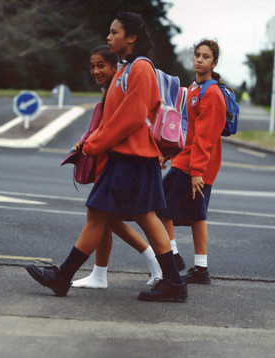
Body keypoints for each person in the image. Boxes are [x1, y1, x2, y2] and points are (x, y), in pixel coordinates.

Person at [25, 11, 187, 302]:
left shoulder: (140, 69)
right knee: (137, 217)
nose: (108, 37)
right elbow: (110, 116)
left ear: (131, 37)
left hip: (131, 158)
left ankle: (63, 277)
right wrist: (91, 140)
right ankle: (174, 283)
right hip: (128, 158)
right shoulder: (124, 70)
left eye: (114, 32)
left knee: (106, 214)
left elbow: (130, 118)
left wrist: (95, 144)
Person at [70, 45, 162, 288]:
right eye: (92, 66)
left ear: (115, 67)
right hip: (108, 160)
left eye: (101, 65)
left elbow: (119, 125)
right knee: (104, 218)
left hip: (118, 161)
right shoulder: (111, 89)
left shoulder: (122, 84)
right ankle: (99, 275)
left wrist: (92, 144)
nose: (96, 70)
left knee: (111, 216)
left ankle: (158, 264)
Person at [158, 39, 226, 285]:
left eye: (206, 57)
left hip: (196, 165)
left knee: (160, 205)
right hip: (188, 160)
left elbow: (206, 137)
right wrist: (168, 153)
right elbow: (188, 131)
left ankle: (173, 256)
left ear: (214, 62)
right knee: (197, 215)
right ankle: (200, 269)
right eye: (197, 55)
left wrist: (197, 170)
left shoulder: (212, 93)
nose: (200, 59)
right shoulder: (194, 89)